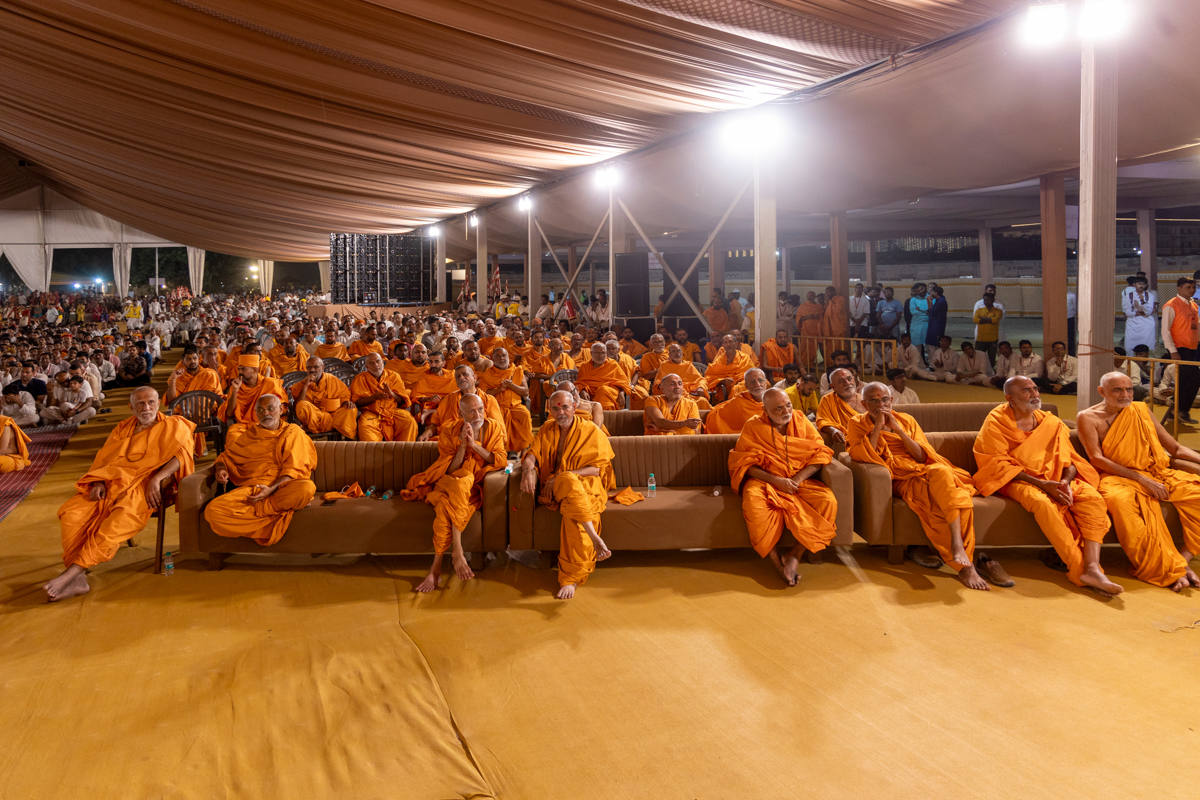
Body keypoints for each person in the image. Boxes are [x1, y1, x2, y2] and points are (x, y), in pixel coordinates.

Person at [973, 376, 1122, 596]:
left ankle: (1092, 566)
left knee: (1092, 499)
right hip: (1017, 480)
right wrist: (1042, 484)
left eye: (1035, 388)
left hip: (1055, 479)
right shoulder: (997, 421)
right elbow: (996, 465)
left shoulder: (1049, 422)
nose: (1035, 394)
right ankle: (1080, 569)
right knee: (1042, 503)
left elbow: (1069, 460)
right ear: (1010, 398)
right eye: (1026, 391)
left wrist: (1064, 483)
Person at [848, 383, 1005, 590]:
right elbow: (865, 455)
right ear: (864, 404)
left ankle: (957, 544)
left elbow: (921, 456)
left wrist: (898, 429)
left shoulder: (906, 420)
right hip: (900, 478)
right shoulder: (856, 423)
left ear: (891, 400)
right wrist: (878, 426)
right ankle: (966, 567)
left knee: (942, 473)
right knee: (938, 499)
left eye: (884, 400)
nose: (881, 405)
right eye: (874, 401)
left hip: (921, 470)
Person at [45, 387, 195, 601]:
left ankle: (71, 573)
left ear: (159, 403)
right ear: (131, 407)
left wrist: (157, 479)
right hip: (111, 483)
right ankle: (78, 581)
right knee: (72, 514)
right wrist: (98, 481)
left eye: (151, 402)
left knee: (117, 521)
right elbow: (104, 459)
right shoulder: (123, 428)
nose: (146, 408)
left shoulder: (175, 425)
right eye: (140, 404)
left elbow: (183, 457)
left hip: (143, 486)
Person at [1077, 372, 1200, 590]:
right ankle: (1164, 567)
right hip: (1117, 477)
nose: (1125, 395)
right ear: (1101, 391)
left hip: (1157, 473)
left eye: (1129, 389)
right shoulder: (1088, 417)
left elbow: (1175, 448)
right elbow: (1096, 458)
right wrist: (1140, 479)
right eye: (1117, 390)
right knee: (1120, 502)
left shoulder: (1140, 410)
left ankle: (1182, 561)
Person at [729, 388, 838, 586]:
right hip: (765, 480)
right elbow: (744, 464)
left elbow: (821, 453)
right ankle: (778, 564)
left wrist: (796, 480)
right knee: (754, 504)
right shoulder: (753, 425)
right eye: (778, 408)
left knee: (827, 500)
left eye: (788, 405)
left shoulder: (800, 419)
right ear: (765, 410)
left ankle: (795, 555)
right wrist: (777, 481)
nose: (786, 411)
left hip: (798, 479)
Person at [404, 393, 508, 592]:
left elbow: (500, 459)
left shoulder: (493, 427)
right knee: (461, 482)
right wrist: (463, 447)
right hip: (451, 481)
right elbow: (450, 470)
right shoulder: (450, 430)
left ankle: (436, 568)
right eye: (471, 411)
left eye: (480, 409)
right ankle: (457, 552)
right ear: (461, 413)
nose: (478, 415)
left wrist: (474, 446)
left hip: (474, 486)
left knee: (445, 505)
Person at [520, 390, 615, 599]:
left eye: (565, 407)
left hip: (585, 484)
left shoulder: (590, 430)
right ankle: (595, 538)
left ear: (574, 407)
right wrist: (527, 470)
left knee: (573, 512)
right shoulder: (546, 428)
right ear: (550, 410)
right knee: (568, 482)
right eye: (555, 408)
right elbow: (531, 454)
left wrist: (562, 476)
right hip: (555, 486)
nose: (560, 412)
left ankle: (570, 578)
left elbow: (597, 470)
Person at [204, 395, 318, 546]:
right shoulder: (250, 435)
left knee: (306, 488)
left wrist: (270, 490)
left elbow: (294, 470)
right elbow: (226, 457)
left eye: (270, 408)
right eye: (260, 410)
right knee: (213, 511)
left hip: (281, 488)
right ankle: (273, 516)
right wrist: (220, 469)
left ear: (281, 410)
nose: (266, 413)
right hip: (253, 491)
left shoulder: (293, 432)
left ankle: (263, 510)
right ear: (256, 413)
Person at [422, 364, 504, 440]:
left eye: (465, 374)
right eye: (458, 376)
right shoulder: (448, 399)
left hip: (480, 441)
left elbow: (497, 428)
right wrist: (427, 433)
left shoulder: (489, 400)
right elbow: (436, 424)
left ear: (474, 378)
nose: (461, 378)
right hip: (450, 441)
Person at [219, 355, 287, 442]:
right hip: (244, 426)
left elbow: (280, 411)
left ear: (255, 370)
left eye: (243, 369)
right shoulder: (236, 386)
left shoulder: (270, 384)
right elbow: (229, 413)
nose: (240, 372)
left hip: (267, 424)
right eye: (239, 369)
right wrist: (235, 390)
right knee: (233, 436)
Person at [351, 352, 417, 442]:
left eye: (378, 361)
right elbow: (356, 401)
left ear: (383, 362)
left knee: (409, 421)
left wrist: (391, 394)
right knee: (365, 426)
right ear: (367, 367)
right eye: (371, 363)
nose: (376, 365)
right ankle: (375, 451)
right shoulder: (360, 378)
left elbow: (402, 401)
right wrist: (374, 398)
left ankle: (402, 450)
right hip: (371, 412)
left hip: (392, 411)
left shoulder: (394, 376)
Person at [477, 347, 533, 452]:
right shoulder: (488, 374)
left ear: (508, 357)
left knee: (525, 414)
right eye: (497, 356)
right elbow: (482, 394)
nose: (501, 358)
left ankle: (524, 449)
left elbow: (525, 391)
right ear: (493, 359)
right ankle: (503, 449)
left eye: (504, 355)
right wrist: (499, 389)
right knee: (496, 418)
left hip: (515, 405)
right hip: (495, 406)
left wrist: (511, 386)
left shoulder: (517, 370)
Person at [1161, 276, 1199, 424]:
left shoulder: (1193, 305)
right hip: (1180, 347)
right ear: (1179, 288)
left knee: (1183, 380)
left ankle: (1174, 412)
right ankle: (1182, 410)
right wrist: (1173, 350)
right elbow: (1165, 330)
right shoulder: (1171, 305)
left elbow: (1195, 327)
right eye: (1188, 287)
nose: (1192, 290)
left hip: (1193, 347)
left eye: (1193, 287)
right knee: (1196, 377)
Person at [291, 356, 358, 439]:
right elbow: (298, 407)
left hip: (334, 415)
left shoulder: (332, 379)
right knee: (302, 405)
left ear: (322, 368)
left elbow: (344, 394)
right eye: (309, 367)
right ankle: (333, 426)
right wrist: (305, 385)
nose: (312, 370)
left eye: (316, 367)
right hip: (316, 416)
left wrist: (346, 402)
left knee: (351, 409)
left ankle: (314, 428)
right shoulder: (300, 385)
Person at [705, 368, 770, 434]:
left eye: (760, 380)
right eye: (752, 382)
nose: (758, 384)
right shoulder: (739, 401)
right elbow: (717, 417)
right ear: (746, 386)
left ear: (766, 383)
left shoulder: (774, 400)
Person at [814, 367, 864, 447]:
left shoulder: (865, 400)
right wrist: (833, 430)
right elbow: (822, 421)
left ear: (854, 380)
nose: (847, 383)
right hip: (846, 441)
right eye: (841, 381)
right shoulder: (827, 399)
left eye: (849, 379)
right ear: (833, 386)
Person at [706, 334, 758, 404]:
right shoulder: (719, 360)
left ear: (736, 344)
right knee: (735, 389)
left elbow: (753, 374)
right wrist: (723, 381)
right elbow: (710, 377)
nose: (728, 344)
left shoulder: (745, 358)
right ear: (723, 345)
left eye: (730, 341)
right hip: (726, 387)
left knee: (739, 388)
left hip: (743, 384)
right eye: (725, 342)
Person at [576, 342, 628, 410]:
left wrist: (621, 393)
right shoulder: (585, 366)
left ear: (606, 353)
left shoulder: (613, 365)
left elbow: (624, 382)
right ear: (591, 353)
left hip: (608, 391)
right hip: (590, 393)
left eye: (603, 353)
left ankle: (602, 413)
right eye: (597, 353)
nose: (600, 355)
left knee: (603, 390)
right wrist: (582, 391)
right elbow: (579, 383)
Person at [1122, 277, 1158, 353]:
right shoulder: (1129, 295)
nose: (1141, 286)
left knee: (1146, 348)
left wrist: (1142, 301)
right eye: (1139, 284)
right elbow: (1128, 313)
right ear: (1134, 284)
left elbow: (1148, 312)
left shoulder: (1150, 296)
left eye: (1143, 284)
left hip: (1146, 325)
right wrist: (1140, 313)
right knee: (1130, 348)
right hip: (1132, 325)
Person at [972, 293, 1004, 367]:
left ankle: (991, 371)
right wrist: (990, 319)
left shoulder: (998, 311)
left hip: (992, 339)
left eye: (988, 300)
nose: (986, 301)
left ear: (993, 300)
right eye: (985, 300)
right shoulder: (979, 310)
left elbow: (996, 320)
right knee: (978, 357)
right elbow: (975, 320)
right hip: (981, 338)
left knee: (991, 358)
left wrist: (982, 319)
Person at [794, 291, 823, 369]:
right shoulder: (803, 306)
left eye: (811, 295)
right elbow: (799, 318)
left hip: (815, 331)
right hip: (805, 330)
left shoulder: (819, 307)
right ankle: (802, 365)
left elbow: (822, 317)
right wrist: (809, 316)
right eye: (808, 296)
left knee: (813, 349)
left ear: (815, 297)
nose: (809, 297)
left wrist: (818, 317)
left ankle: (810, 365)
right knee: (804, 348)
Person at [821, 286, 848, 357]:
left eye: (828, 292)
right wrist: (827, 302)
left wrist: (829, 301)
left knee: (839, 345)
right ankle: (830, 361)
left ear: (833, 292)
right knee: (830, 345)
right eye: (825, 293)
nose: (826, 294)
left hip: (837, 327)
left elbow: (838, 310)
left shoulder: (840, 299)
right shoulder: (829, 301)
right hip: (829, 328)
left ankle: (840, 360)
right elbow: (825, 312)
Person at [906, 284, 930, 362]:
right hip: (916, 325)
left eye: (922, 289)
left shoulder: (930, 298)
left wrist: (920, 309)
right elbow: (913, 312)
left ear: (925, 289)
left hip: (928, 324)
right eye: (918, 291)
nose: (921, 291)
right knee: (916, 347)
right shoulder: (913, 300)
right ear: (915, 292)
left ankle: (931, 365)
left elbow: (931, 311)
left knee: (930, 347)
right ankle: (917, 364)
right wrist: (926, 312)